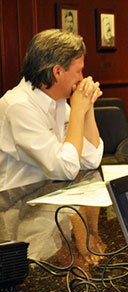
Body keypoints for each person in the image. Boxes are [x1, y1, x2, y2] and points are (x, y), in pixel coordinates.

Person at [0, 29, 103, 192]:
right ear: (57, 72)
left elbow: (91, 160)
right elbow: (66, 169)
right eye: (78, 71)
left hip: (50, 197)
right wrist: (77, 110)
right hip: (18, 207)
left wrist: (87, 107)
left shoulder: (59, 100)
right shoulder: (18, 106)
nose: (82, 78)